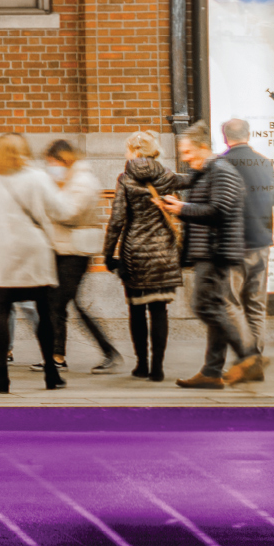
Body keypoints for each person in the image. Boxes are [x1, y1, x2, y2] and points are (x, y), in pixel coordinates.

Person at [0, 133, 92, 394]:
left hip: (3, 254)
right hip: (35, 252)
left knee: (2, 311)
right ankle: (51, 372)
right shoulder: (38, 177)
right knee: (44, 311)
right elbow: (60, 210)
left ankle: (1, 377)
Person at [166, 125, 261, 389]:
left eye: (187, 151)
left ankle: (249, 357)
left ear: (202, 147)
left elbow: (220, 210)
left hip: (217, 250)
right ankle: (211, 371)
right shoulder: (207, 171)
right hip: (209, 249)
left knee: (205, 306)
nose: (185, 157)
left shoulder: (222, 170)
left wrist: (182, 208)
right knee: (215, 307)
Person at [103, 131, 184, 381]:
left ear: (136, 151)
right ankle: (158, 368)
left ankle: (142, 365)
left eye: (128, 149)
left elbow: (117, 220)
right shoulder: (169, 176)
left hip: (135, 252)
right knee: (159, 310)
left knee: (137, 311)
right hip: (164, 252)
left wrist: (108, 253)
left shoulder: (125, 179)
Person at [40, 139, 124, 374]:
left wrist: (49, 201)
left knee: (58, 303)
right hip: (64, 248)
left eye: (52, 161)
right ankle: (58, 355)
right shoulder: (67, 179)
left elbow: (69, 213)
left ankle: (105, 352)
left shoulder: (83, 180)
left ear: (63, 159)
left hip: (75, 252)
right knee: (60, 303)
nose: (50, 166)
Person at [217, 117, 274, 370]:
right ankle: (256, 354)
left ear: (225, 137)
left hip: (234, 244)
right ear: (249, 134)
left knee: (230, 302)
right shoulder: (264, 163)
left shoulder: (221, 163)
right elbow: (271, 198)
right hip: (261, 240)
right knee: (256, 303)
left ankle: (246, 357)